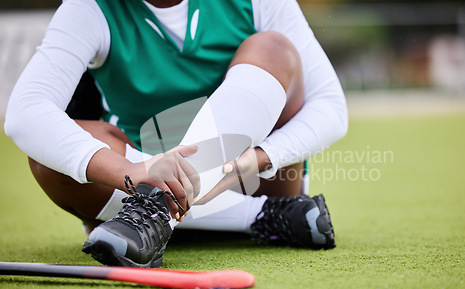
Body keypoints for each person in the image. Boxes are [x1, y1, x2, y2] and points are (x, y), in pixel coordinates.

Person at [4, 0, 348, 268]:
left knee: (274, 48)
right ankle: (254, 216)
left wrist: (259, 158)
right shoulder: (88, 8)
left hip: (246, 180)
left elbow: (331, 108)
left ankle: (162, 213)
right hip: (135, 199)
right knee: (48, 161)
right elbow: (25, 113)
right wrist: (135, 173)